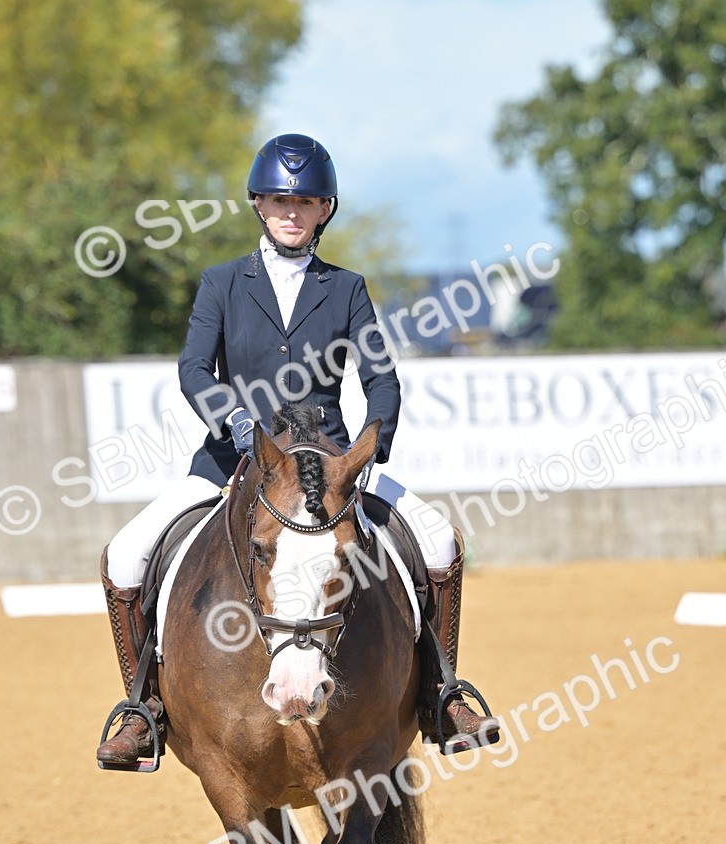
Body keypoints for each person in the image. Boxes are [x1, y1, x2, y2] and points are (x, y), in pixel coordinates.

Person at [96, 132, 499, 767]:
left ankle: (441, 694)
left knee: (441, 541)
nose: (292, 212)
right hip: (235, 460)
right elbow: (194, 368)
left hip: (330, 466)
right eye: (281, 200)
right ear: (259, 203)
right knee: (125, 556)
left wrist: (368, 449)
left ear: (324, 211)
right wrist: (228, 417)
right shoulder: (223, 283)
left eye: (306, 202)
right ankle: (143, 707)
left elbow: (381, 379)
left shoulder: (346, 288)